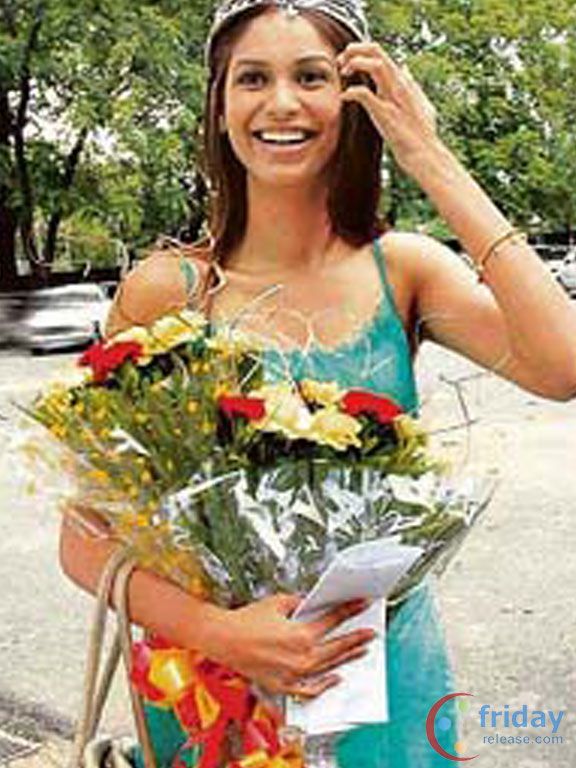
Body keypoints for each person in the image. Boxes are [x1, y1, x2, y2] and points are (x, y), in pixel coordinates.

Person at [60, 0, 576, 766]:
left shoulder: (404, 270)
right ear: (219, 105)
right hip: (216, 698)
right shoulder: (168, 292)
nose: (281, 103)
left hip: (383, 695)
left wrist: (427, 152)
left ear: (354, 100)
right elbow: (82, 538)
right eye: (252, 79)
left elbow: (563, 365)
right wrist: (220, 632)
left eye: (311, 77)